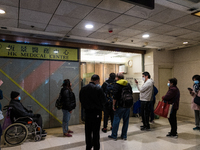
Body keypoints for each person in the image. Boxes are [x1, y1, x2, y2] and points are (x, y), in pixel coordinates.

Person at [80, 74, 106, 150]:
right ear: (97, 80)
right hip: (96, 113)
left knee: (88, 131)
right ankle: (96, 147)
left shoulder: (83, 88)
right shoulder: (98, 89)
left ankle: (88, 146)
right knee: (96, 132)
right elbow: (104, 101)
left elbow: (81, 100)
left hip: (87, 113)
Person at [108, 73, 133, 140]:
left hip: (120, 105)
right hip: (127, 105)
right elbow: (131, 93)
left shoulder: (117, 85)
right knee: (126, 121)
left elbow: (115, 97)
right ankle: (124, 136)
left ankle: (114, 135)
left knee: (116, 119)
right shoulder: (128, 84)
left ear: (117, 78)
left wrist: (113, 105)